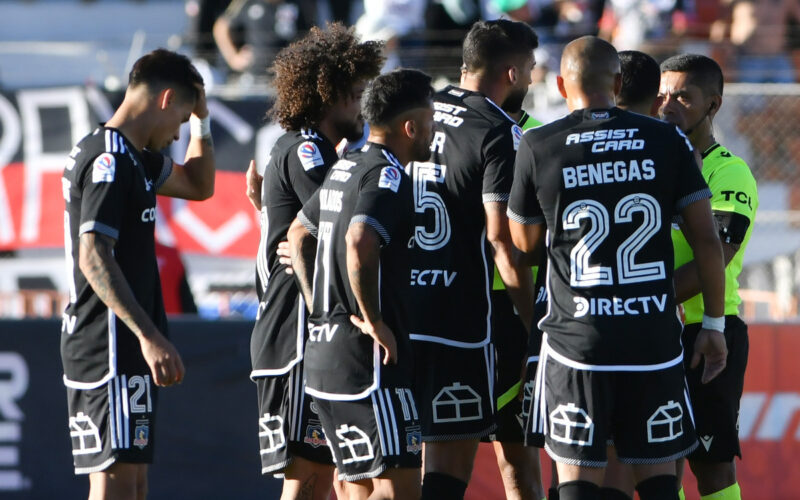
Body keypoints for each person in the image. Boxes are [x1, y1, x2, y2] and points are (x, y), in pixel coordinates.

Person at [507, 36, 727, 500]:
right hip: (653, 340)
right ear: (619, 81)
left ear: (563, 87)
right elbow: (707, 240)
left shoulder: (539, 144)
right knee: (660, 481)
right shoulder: (667, 139)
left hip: (576, 343)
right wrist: (713, 322)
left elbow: (524, 246)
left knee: (578, 482)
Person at [60, 48, 215, 499]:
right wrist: (149, 336)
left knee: (133, 483)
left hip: (125, 343)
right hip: (107, 340)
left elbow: (199, 185)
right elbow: (93, 254)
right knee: (114, 482)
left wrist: (204, 119)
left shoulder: (135, 158)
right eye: (183, 120)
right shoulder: (108, 159)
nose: (177, 134)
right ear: (166, 99)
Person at [244, 22, 384, 500]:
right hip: (295, 338)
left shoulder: (309, 149)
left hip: (298, 336)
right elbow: (337, 224)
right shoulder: (307, 150)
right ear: (332, 93)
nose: (365, 106)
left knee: (331, 478)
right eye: (359, 93)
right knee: (307, 481)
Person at [405, 19, 541, 500]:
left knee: (401, 465)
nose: (530, 79)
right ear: (510, 72)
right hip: (464, 320)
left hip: (402, 309)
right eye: (528, 70)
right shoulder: (499, 131)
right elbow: (503, 244)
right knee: (452, 464)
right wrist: (534, 327)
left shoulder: (415, 110)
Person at [287, 68, 434, 499]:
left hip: (325, 353)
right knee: (398, 488)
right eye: (430, 123)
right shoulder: (387, 176)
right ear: (411, 127)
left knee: (355, 487)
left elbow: (298, 233)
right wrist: (373, 319)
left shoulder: (345, 165)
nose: (433, 133)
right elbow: (359, 240)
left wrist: (321, 308)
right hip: (369, 364)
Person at [659, 53, 759, 500]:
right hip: (655, 329)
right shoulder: (651, 166)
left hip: (708, 332)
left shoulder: (729, 171)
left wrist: (644, 298)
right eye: (661, 94)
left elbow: (714, 259)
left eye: (682, 96)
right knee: (657, 465)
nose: (668, 105)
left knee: (711, 469)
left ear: (712, 105)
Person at [212, 0, 314, 84]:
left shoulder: (297, 5)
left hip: (286, 77)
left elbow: (310, 34)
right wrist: (233, 58)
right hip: (255, 77)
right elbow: (221, 27)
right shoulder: (246, 3)